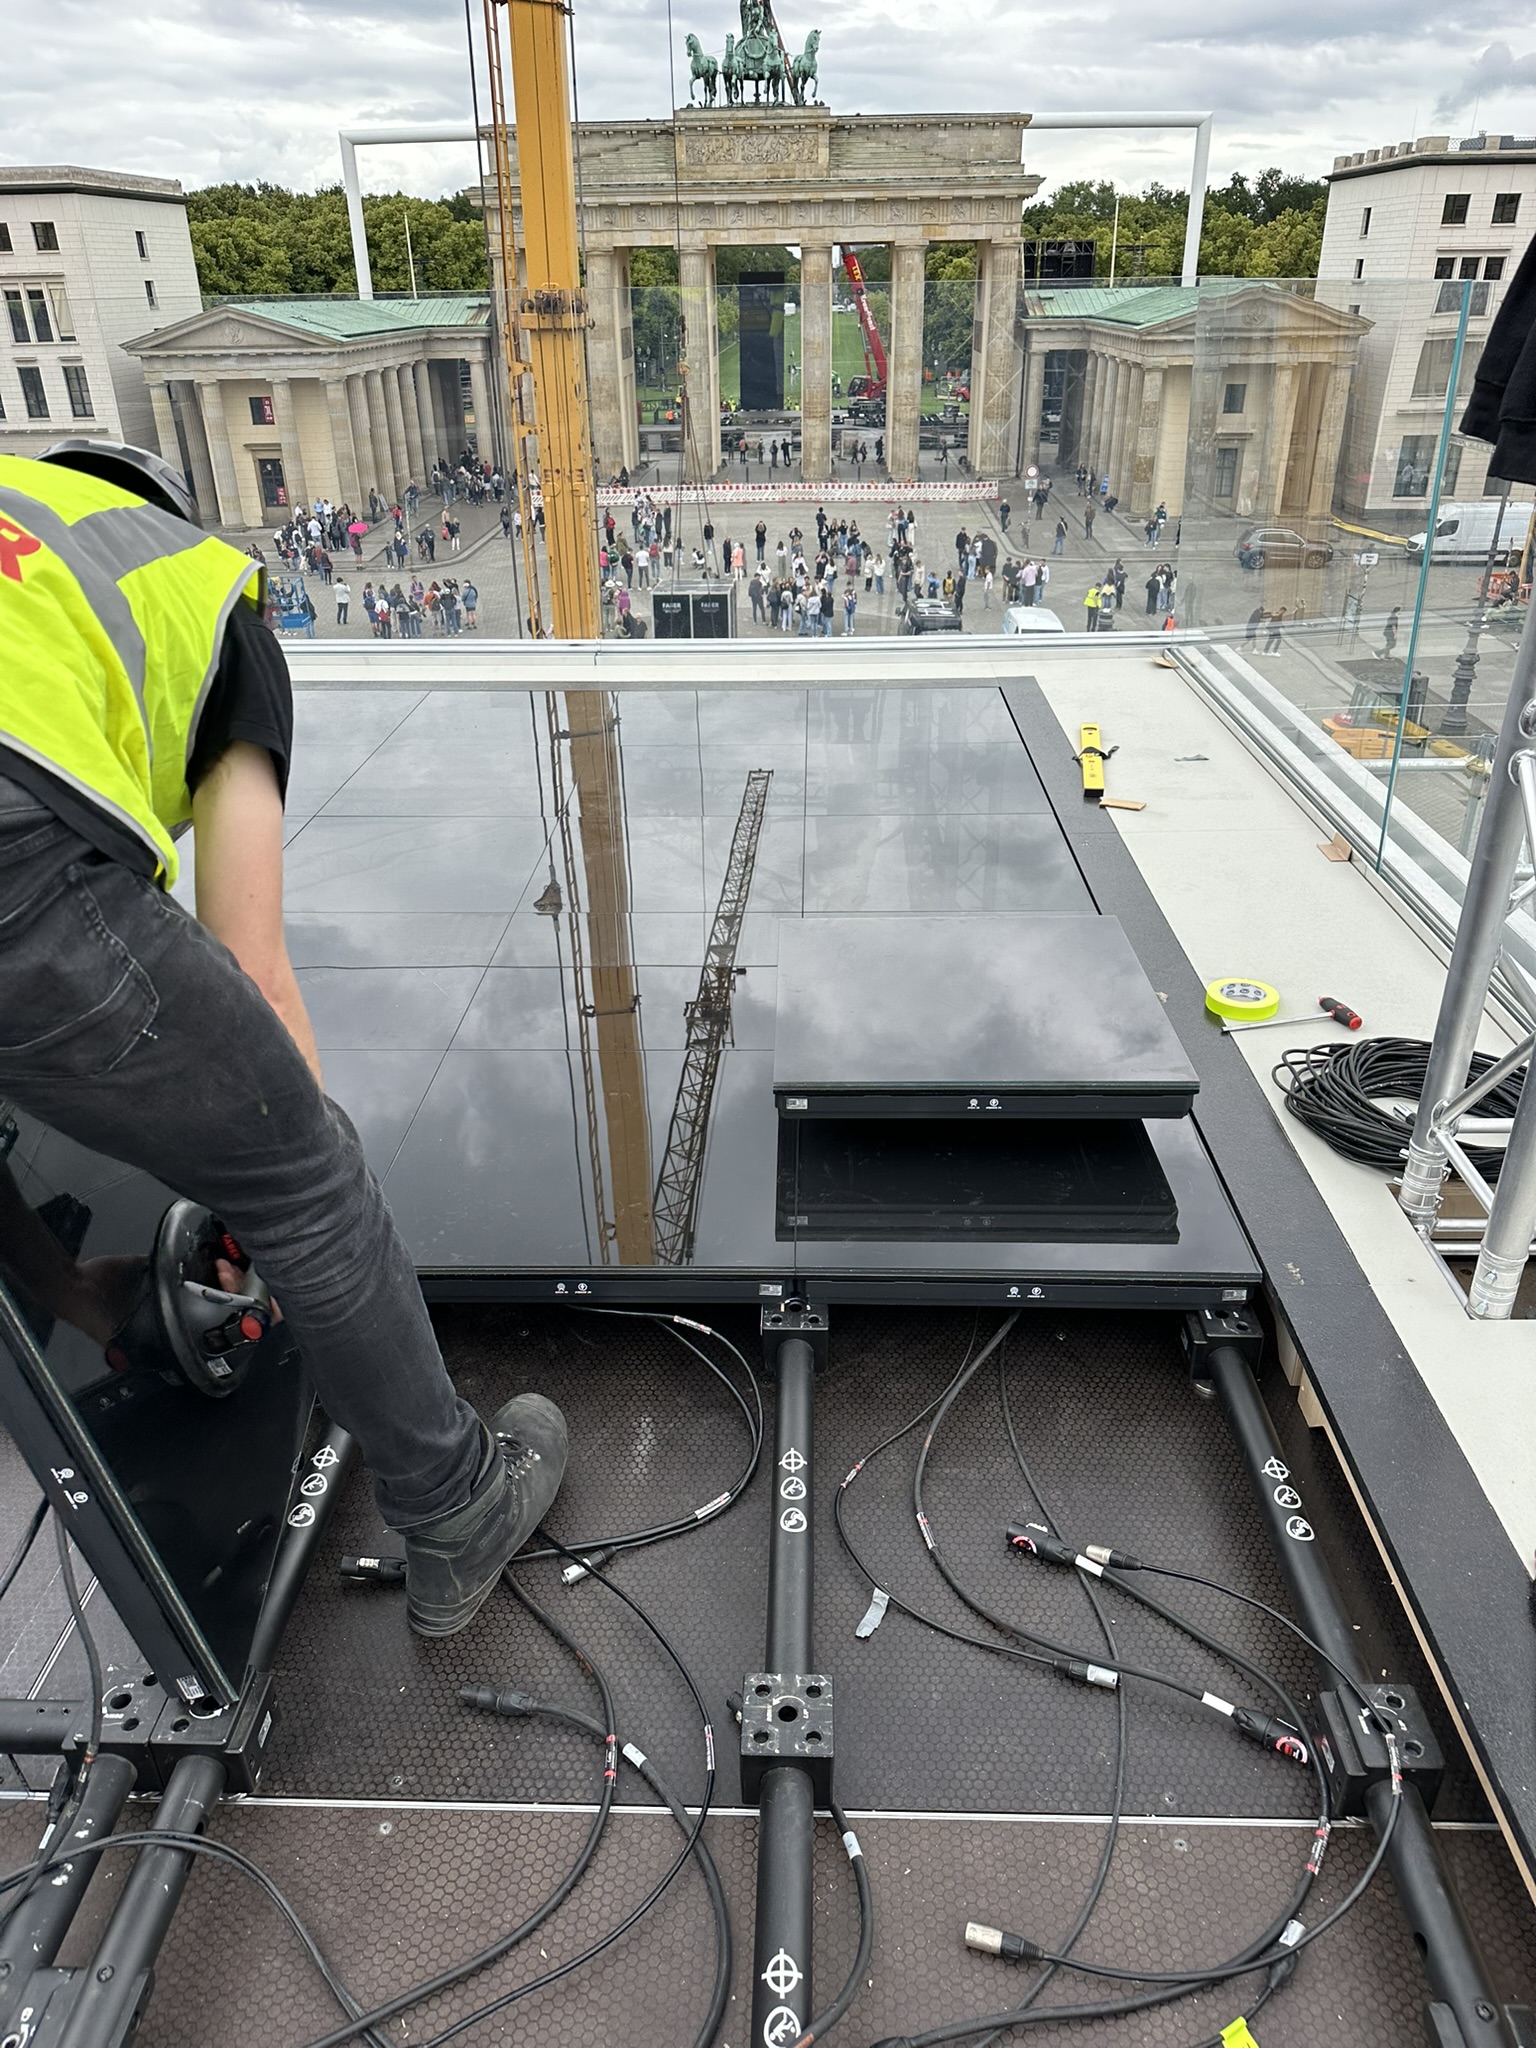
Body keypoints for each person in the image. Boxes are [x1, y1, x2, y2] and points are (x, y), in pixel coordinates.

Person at [0, 440, 568, 1639]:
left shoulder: (31, 537)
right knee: (304, 1171)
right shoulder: (196, 582)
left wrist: (53, 1284)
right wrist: (276, 1186)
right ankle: (455, 1505)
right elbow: (249, 960)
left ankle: (82, 1299)